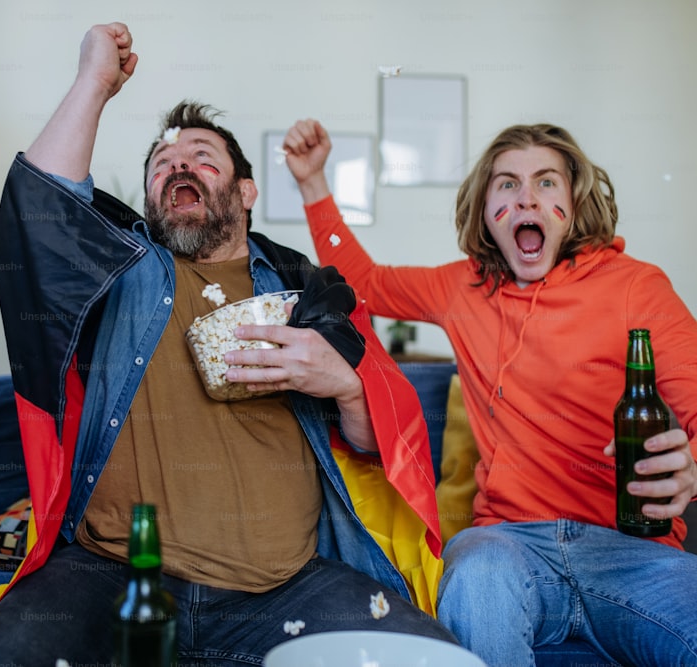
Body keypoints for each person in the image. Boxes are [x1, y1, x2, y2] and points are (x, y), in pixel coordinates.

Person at [0, 22, 457, 666]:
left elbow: (377, 442)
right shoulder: (119, 272)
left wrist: (344, 383)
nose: (178, 165)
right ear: (149, 196)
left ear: (246, 194)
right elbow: (39, 210)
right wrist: (94, 81)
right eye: (162, 164)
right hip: (111, 573)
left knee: (433, 659)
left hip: (283, 588)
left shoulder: (310, 293)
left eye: (201, 156)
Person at [281, 118, 697, 665]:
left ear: (573, 202)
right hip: (507, 545)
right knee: (477, 574)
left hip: (632, 553)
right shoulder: (463, 287)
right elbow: (366, 278)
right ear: (485, 209)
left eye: (547, 182)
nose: (527, 197)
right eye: (507, 184)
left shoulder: (637, 286)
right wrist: (313, 183)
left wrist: (689, 465)